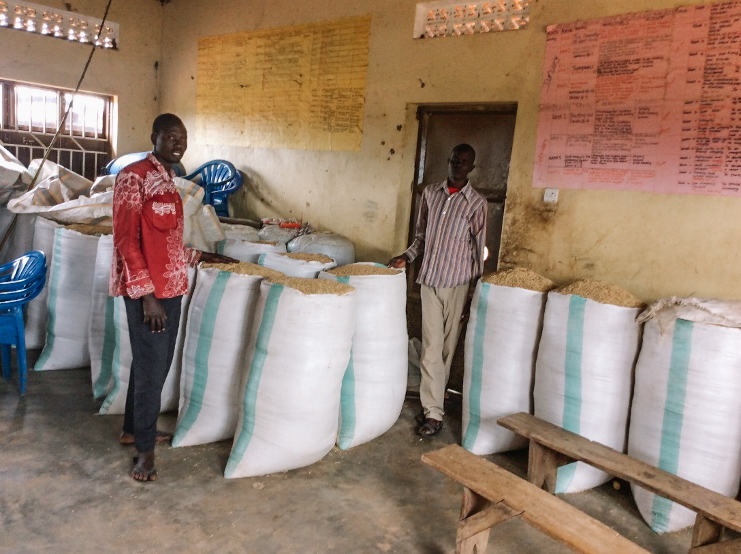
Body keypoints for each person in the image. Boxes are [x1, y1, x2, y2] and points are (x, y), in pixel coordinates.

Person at [110, 113, 237, 481]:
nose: (178, 143)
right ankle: (145, 453)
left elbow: (166, 244)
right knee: (152, 369)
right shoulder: (134, 176)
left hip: (171, 289)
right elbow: (126, 242)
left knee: (155, 364)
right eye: (170, 137)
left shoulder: (169, 180)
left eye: (182, 137)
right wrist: (147, 296)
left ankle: (134, 428)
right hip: (147, 294)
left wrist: (204, 256)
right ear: (155, 137)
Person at [388, 143, 487, 437]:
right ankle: (433, 413)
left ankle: (437, 398)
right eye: (455, 159)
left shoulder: (476, 203)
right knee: (431, 347)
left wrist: (474, 295)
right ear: (448, 160)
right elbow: (420, 236)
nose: (458, 164)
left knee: (446, 348)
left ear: (471, 167)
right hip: (430, 280)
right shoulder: (430, 194)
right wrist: (406, 256)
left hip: (458, 284)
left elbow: (478, 249)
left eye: (464, 161)